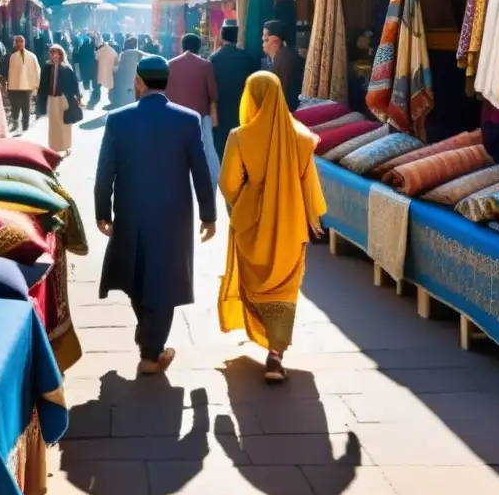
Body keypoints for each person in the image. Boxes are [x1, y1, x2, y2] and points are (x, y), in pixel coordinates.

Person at [95, 55, 217, 374]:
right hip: (173, 217)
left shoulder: (118, 119)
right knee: (164, 280)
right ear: (167, 82)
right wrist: (209, 214)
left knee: (137, 275)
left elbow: (105, 170)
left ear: (138, 82)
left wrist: (101, 211)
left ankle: (148, 338)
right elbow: (200, 172)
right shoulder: (187, 120)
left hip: (131, 211)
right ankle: (151, 352)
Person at [217, 71, 326, 382]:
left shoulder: (239, 137)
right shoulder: (303, 138)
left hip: (252, 225)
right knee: (285, 289)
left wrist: (245, 204)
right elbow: (310, 189)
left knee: (255, 282)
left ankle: (262, 332)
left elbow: (228, 184)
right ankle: (276, 353)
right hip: (291, 227)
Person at [167, 33, 220, 187]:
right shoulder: (206, 65)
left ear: (182, 46)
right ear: (199, 47)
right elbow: (213, 93)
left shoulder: (170, 64)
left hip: (175, 116)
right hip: (199, 116)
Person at [209, 19, 259, 161]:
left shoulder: (213, 59)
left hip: (220, 111)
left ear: (222, 37)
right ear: (236, 38)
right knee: (240, 150)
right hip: (242, 110)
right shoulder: (248, 58)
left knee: (222, 149)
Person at [36, 44, 81, 156]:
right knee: (53, 124)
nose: (54, 56)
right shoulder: (47, 67)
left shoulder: (66, 68)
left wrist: (77, 98)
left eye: (56, 54)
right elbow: (43, 84)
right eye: (52, 54)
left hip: (63, 99)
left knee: (64, 123)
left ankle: (66, 146)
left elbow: (74, 85)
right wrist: (40, 100)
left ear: (61, 55)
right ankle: (54, 147)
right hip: (51, 99)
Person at [263, 20, 305, 112]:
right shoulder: (280, 57)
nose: (263, 43)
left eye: (266, 39)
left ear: (276, 41)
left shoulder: (285, 59)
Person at [8, 35, 40, 133]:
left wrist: (35, 86)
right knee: (15, 107)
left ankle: (25, 126)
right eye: (17, 41)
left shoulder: (31, 56)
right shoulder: (12, 56)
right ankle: (15, 124)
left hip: (27, 86)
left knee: (25, 107)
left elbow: (37, 71)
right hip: (14, 87)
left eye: (21, 41)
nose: (19, 43)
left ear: (24, 43)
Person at [112, 36, 145, 109]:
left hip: (123, 83)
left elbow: (114, 70)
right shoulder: (139, 54)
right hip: (134, 82)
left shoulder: (121, 55)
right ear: (135, 45)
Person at [96, 35, 119, 105]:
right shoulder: (114, 49)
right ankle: (111, 100)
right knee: (111, 84)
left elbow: (96, 58)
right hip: (112, 70)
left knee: (101, 82)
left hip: (102, 69)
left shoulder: (100, 49)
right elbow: (116, 59)